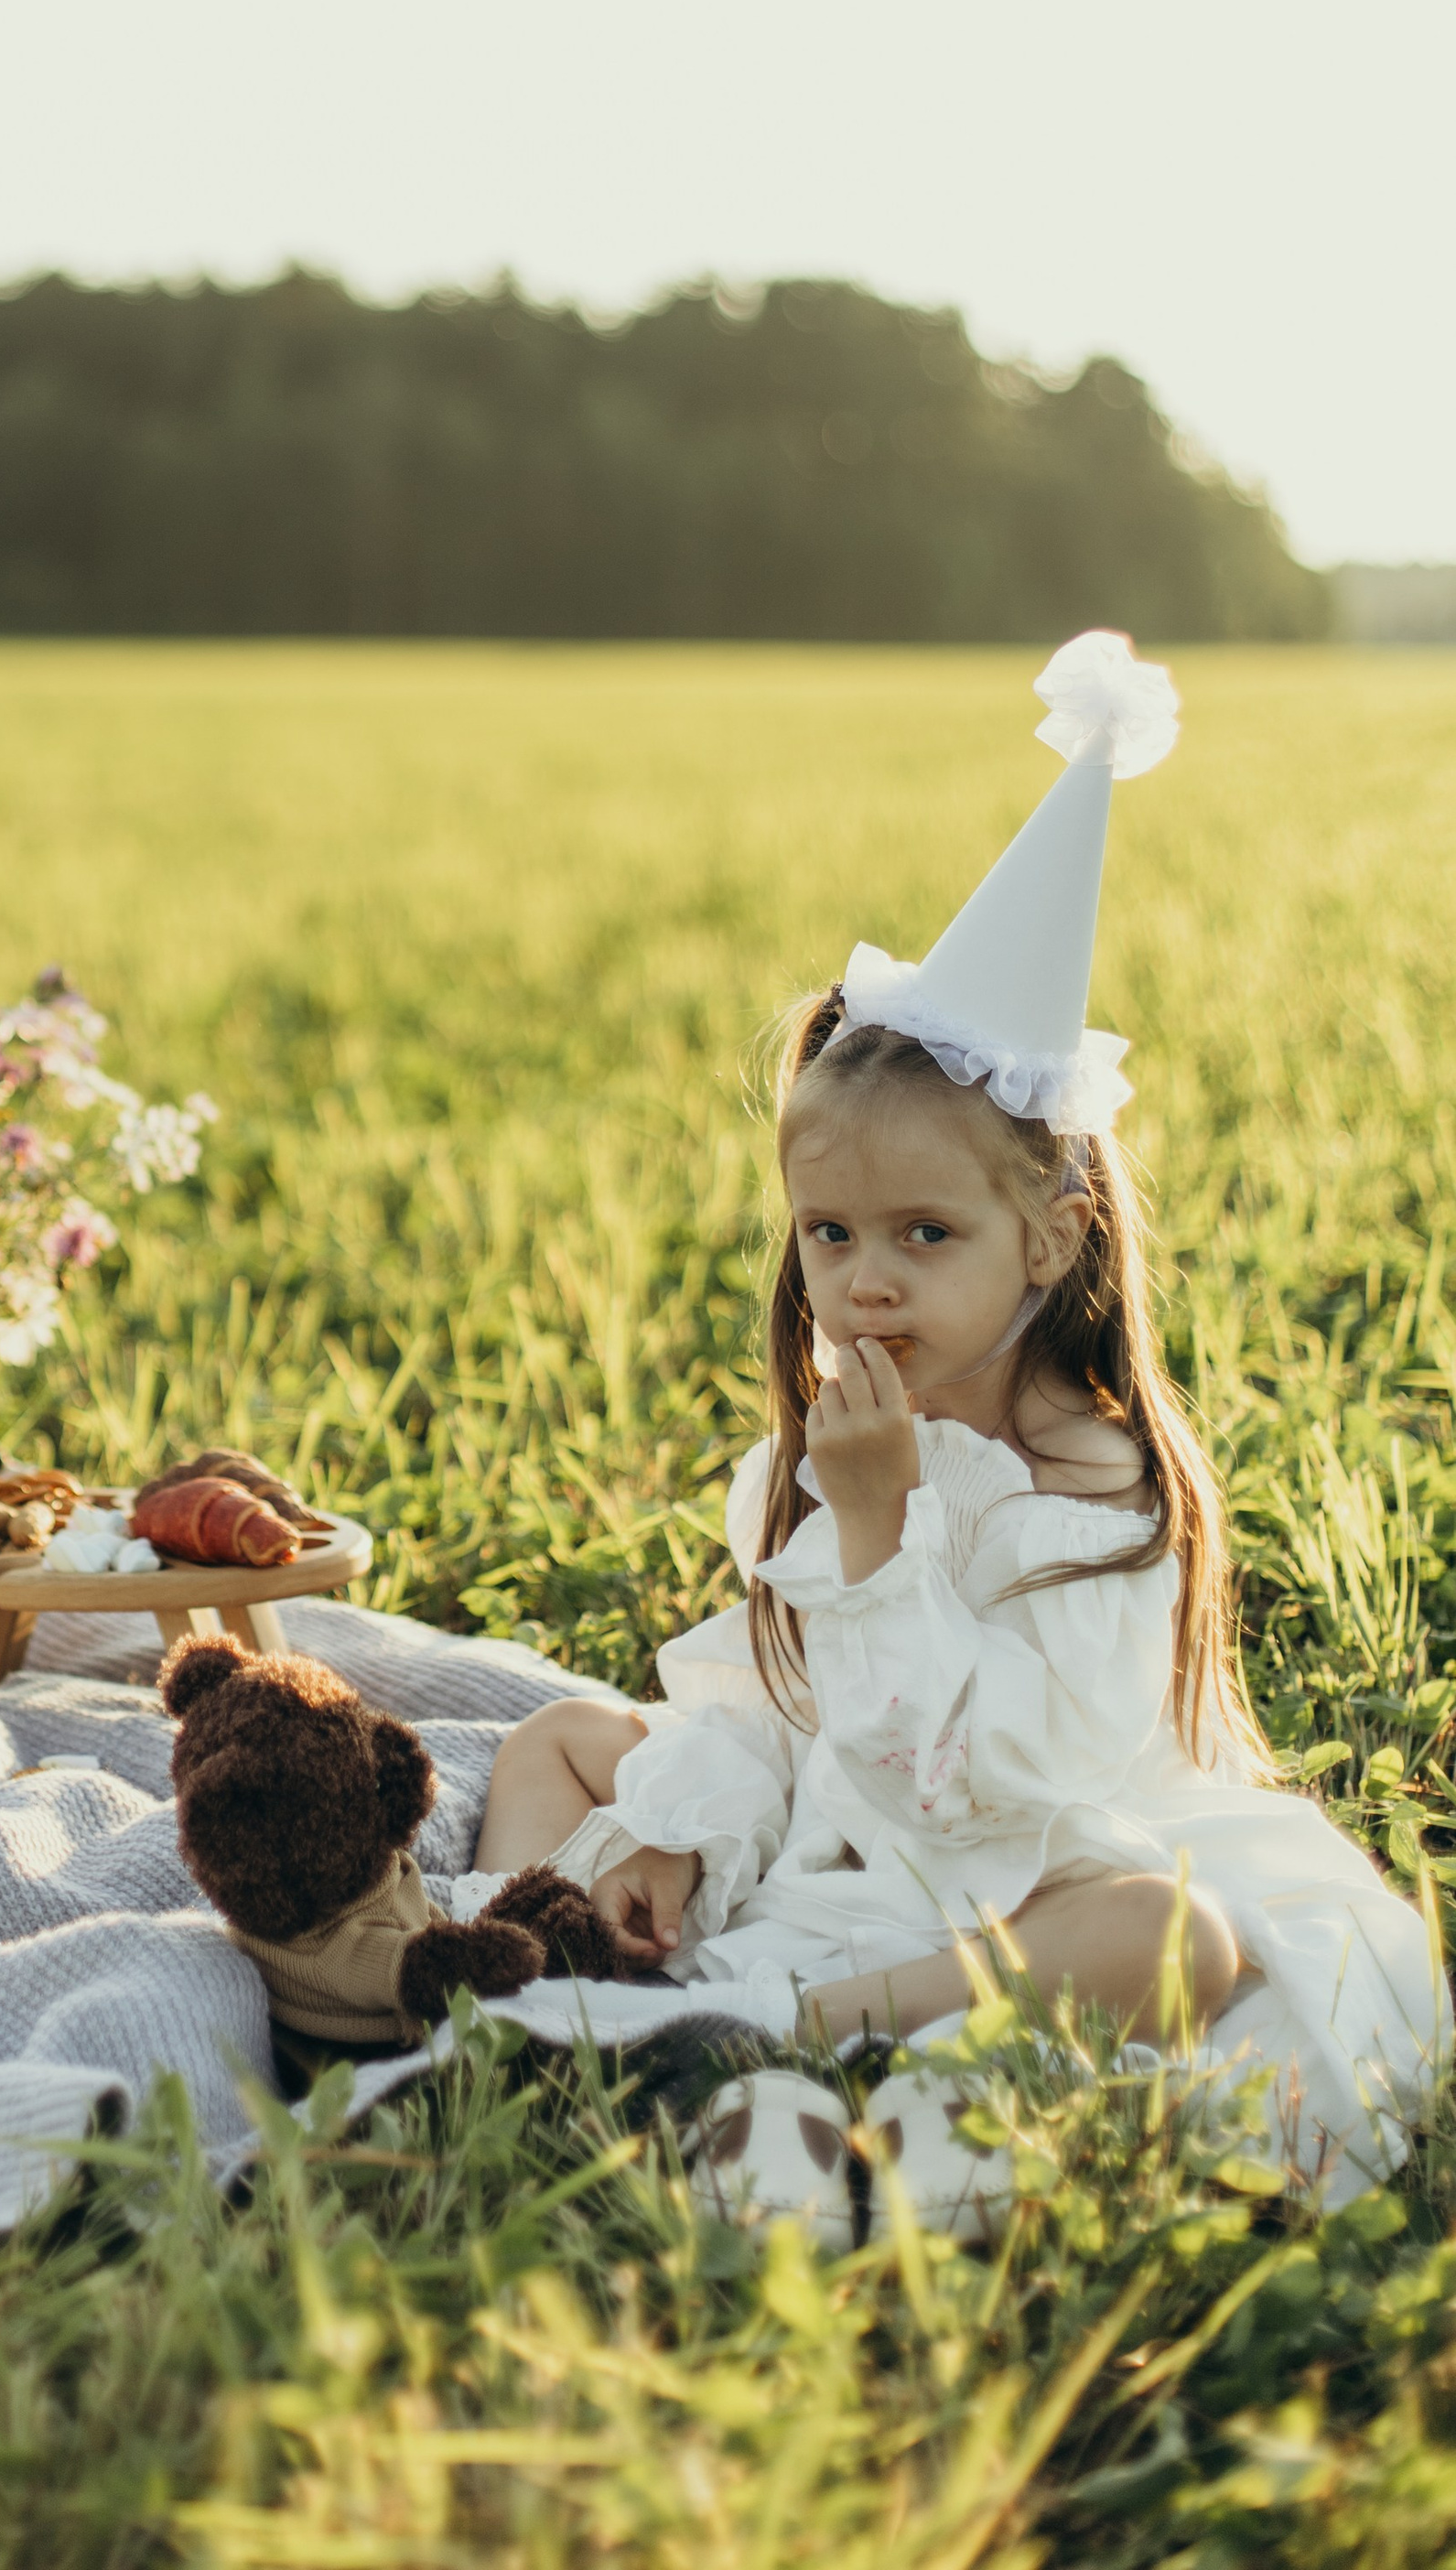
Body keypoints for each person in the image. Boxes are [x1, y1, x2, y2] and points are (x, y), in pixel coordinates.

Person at [475, 633, 1445, 2217]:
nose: (865, 1284)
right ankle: (551, 1962)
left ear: (1048, 1241)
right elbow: (762, 1704)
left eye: (927, 1236)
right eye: (831, 1235)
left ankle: (756, 2038)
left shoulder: (1103, 1500)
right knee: (560, 1743)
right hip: (827, 1855)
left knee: (1177, 1941)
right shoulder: (807, 1453)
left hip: (1017, 1878)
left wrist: (882, 1538)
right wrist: (666, 1831)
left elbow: (976, 1787)